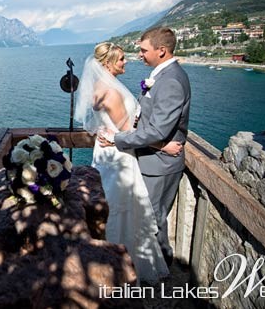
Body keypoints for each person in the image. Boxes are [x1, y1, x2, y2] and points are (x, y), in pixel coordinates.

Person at [74, 41, 181, 284]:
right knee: (123, 211)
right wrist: (164, 146)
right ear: (108, 64)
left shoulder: (101, 88)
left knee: (112, 207)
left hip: (106, 153)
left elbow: (113, 127)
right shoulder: (110, 93)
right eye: (121, 59)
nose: (126, 61)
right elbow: (128, 133)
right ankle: (123, 267)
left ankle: (108, 262)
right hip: (119, 158)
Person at [98, 27, 191, 268]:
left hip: (159, 164)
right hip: (152, 156)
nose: (138, 55)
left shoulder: (170, 80)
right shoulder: (161, 77)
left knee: (153, 217)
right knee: (147, 216)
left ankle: (160, 265)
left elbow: (158, 130)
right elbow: (150, 123)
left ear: (161, 51)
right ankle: (147, 263)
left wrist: (118, 140)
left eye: (143, 50)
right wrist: (161, 144)